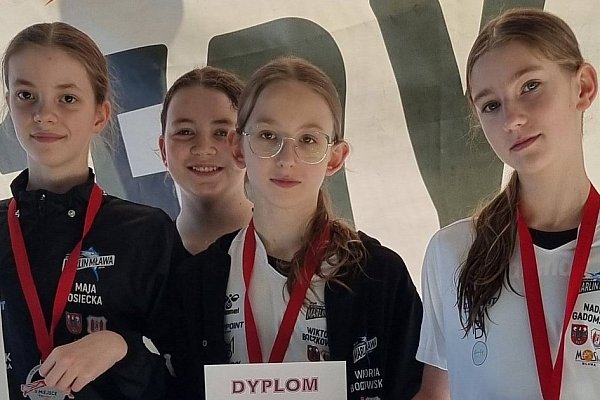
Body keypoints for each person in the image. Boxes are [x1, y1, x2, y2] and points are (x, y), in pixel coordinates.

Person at [170, 56, 423, 399]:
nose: (286, 159)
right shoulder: (197, 281)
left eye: (308, 139)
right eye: (268, 135)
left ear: (335, 157)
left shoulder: (380, 275)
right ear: (238, 147)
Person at [414, 8, 599, 400]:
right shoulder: (452, 252)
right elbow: (434, 394)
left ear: (583, 87)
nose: (512, 118)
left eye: (530, 86)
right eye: (491, 105)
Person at [0, 22, 185, 399]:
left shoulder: (145, 231)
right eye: (26, 95)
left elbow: (184, 377)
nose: (43, 114)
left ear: (100, 115)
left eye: (67, 98)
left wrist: (120, 347)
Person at [159, 67, 253, 254]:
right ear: (163, 151)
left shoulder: (290, 246)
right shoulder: (145, 257)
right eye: (185, 132)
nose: (203, 149)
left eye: (222, 133)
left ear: (247, 146)